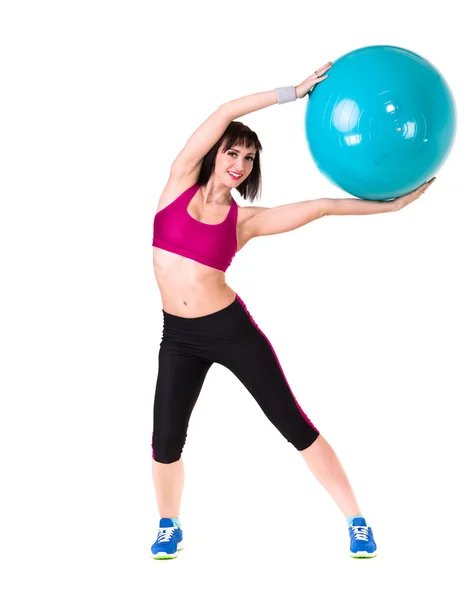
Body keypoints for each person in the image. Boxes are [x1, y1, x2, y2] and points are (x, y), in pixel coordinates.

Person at [149, 61, 435, 560]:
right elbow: (225, 110)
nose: (239, 163)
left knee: (293, 424)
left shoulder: (245, 222)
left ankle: (357, 520)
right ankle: (168, 525)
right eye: (232, 152)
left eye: (249, 158)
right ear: (215, 154)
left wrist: (392, 207)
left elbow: (323, 206)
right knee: (166, 438)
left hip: (229, 330)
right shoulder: (176, 185)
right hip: (178, 336)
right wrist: (293, 92)